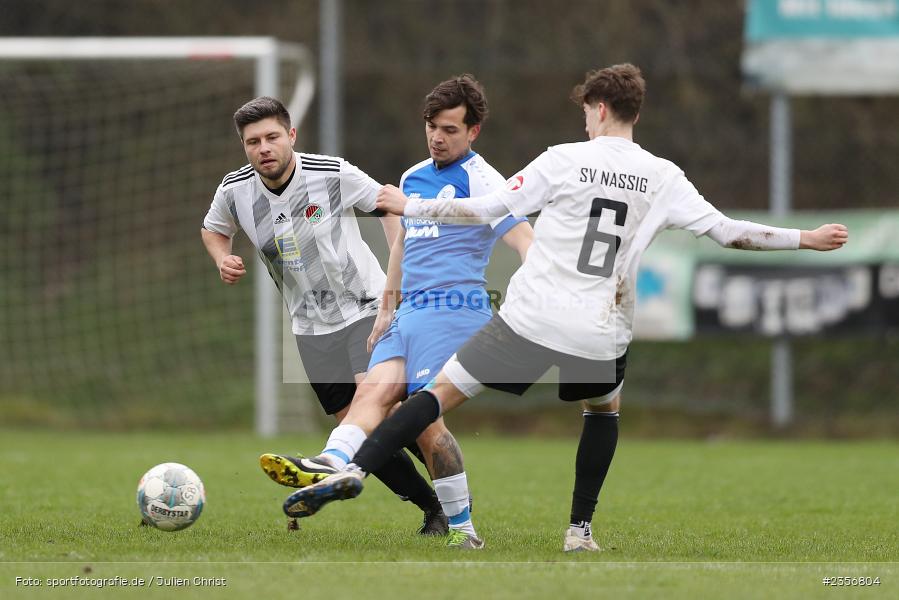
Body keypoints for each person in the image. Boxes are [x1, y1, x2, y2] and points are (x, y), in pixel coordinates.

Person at [281, 63, 849, 552]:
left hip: (530, 317)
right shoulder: (664, 176)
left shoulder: (563, 158)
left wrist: (415, 205)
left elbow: (488, 210)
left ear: (598, 108)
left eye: (586, 111)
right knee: (603, 411)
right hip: (600, 329)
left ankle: (354, 469)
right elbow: (729, 233)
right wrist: (806, 238)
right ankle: (579, 531)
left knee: (432, 398)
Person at [272, 75, 533, 549]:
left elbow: (524, 242)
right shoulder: (413, 177)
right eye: (432, 126)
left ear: (473, 132)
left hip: (455, 311)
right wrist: (386, 309)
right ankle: (331, 466)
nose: (438, 136)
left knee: (420, 416)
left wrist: (528, 301)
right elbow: (403, 248)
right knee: (372, 396)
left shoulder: (486, 182)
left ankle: (462, 531)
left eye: (451, 129)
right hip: (408, 312)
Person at [201, 96, 449, 535]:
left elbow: (391, 204)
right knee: (352, 426)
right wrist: (223, 257)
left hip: (366, 309)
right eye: (253, 141)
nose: (264, 148)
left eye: (272, 137)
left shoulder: (331, 173)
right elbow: (213, 227)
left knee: (377, 412)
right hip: (309, 326)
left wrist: (399, 276)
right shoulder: (234, 190)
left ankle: (452, 502)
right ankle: (432, 508)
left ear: (291, 136)